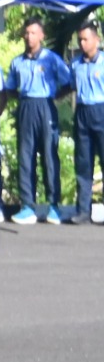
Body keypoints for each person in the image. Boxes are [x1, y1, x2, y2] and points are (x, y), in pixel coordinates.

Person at [1, 20, 72, 225]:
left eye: (33, 33)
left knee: (50, 155)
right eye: (26, 33)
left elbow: (68, 83)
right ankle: (27, 206)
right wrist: (22, 98)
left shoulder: (51, 59)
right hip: (26, 106)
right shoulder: (17, 62)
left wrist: (53, 98)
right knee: (25, 155)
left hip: (45, 105)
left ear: (41, 36)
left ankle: (53, 206)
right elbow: (10, 87)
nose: (28, 37)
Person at [71, 23, 104, 226]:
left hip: (101, 108)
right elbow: (71, 87)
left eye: (85, 39)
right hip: (82, 111)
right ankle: (83, 210)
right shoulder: (75, 64)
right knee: (83, 163)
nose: (82, 43)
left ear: (96, 40)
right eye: (80, 39)